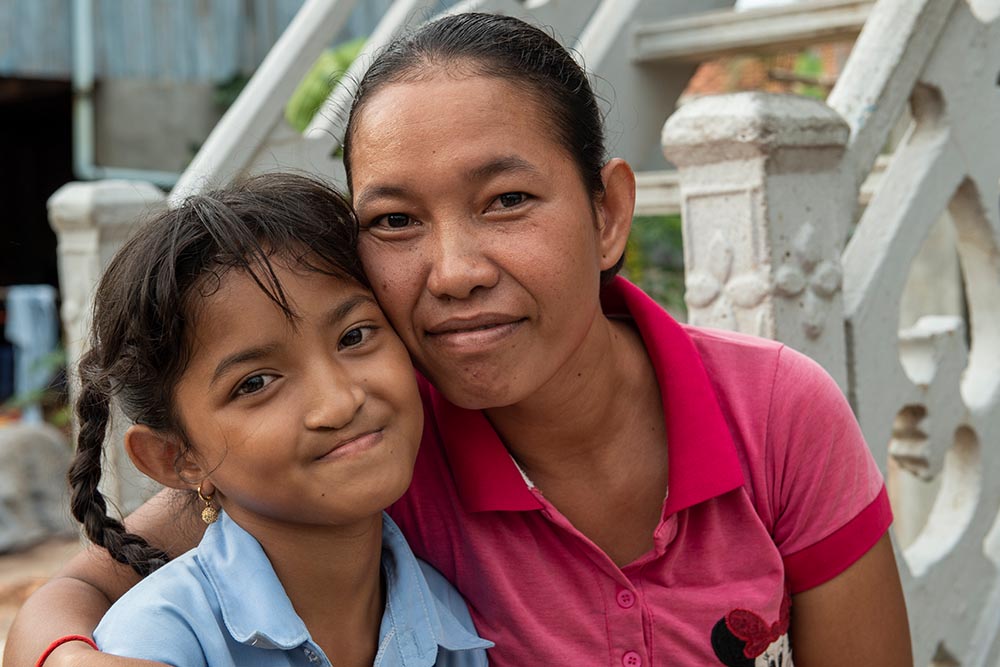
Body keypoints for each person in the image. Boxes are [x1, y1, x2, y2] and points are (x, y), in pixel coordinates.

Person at [5, 12, 911, 667]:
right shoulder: (375, 439)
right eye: (395, 219)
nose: (453, 269)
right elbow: (81, 588)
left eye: (507, 199)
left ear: (607, 213)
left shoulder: (773, 413)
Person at [27, 173, 490, 667]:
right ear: (175, 457)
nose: (338, 403)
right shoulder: (158, 642)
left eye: (354, 337)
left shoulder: (448, 625)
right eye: (256, 383)